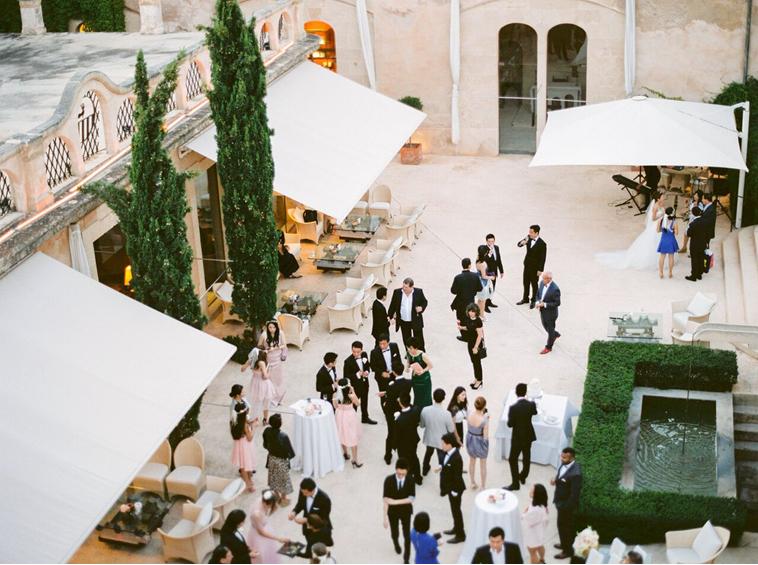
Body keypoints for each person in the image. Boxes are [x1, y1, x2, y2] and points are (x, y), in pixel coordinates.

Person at [596, 192, 665, 270]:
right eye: (662, 197)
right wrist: (661, 215)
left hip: (660, 223)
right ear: (658, 199)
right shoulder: (655, 207)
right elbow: (653, 218)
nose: (664, 198)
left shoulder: (661, 204)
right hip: (656, 224)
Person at [370, 334, 406, 464]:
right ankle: (386, 411)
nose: (382, 346)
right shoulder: (374, 352)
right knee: (385, 397)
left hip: (394, 374)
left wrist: (396, 371)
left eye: (384, 344)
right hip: (383, 378)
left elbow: (399, 359)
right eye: (380, 344)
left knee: (395, 393)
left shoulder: (394, 346)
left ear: (388, 342)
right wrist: (382, 373)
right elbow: (373, 366)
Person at [383, 458, 416, 564]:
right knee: (394, 532)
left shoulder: (410, 480)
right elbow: (386, 500)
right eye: (399, 473)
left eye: (403, 474)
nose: (401, 476)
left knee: (407, 536)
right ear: (396, 469)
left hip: (406, 512)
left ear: (407, 471)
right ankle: (396, 544)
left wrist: (395, 502)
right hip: (392, 513)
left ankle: (406, 558)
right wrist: (384, 518)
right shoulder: (388, 480)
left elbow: (411, 498)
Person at [288, 478, 332, 558]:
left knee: (312, 550)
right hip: (308, 529)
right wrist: (294, 512)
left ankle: (307, 554)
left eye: (305, 493)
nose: (303, 494)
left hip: (319, 530)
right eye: (302, 492)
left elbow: (324, 518)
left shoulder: (325, 499)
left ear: (312, 490)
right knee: (310, 543)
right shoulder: (303, 491)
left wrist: (306, 520)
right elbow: (300, 503)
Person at [551, 447, 582, 560]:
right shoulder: (565, 463)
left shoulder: (576, 474)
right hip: (560, 502)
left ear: (572, 458)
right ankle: (564, 544)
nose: (562, 459)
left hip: (567, 507)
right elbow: (561, 476)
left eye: (565, 457)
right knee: (561, 526)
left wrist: (564, 507)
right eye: (562, 456)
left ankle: (567, 551)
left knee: (566, 528)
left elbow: (574, 495)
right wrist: (556, 480)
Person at [506, 383, 537, 490]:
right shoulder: (531, 404)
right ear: (526, 392)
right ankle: (523, 476)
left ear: (516, 393)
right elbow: (535, 412)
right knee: (526, 457)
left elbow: (510, 424)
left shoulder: (513, 408)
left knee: (512, 459)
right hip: (528, 435)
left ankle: (515, 484)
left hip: (517, 437)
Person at [246, 489, 289, 564]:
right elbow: (261, 532)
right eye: (271, 505)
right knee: (263, 554)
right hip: (259, 535)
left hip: (265, 527)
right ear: (266, 503)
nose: (271, 507)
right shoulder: (256, 514)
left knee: (270, 550)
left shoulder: (264, 498)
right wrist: (279, 538)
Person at [420, 388, 455, 476]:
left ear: (433, 397)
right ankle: (444, 472)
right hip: (441, 441)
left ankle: (425, 469)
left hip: (429, 438)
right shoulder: (446, 414)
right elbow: (451, 430)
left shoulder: (425, 410)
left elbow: (422, 425)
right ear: (443, 399)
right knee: (442, 458)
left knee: (428, 453)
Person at [262, 413, 295, 505]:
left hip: (271, 459)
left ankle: (277, 495)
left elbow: (265, 445)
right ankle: (283, 499)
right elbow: (291, 453)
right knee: (284, 481)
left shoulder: (266, 431)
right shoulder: (284, 436)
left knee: (273, 478)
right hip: (282, 461)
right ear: (280, 424)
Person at [388, 278, 428, 351]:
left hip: (415, 320)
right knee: (406, 339)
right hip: (403, 321)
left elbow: (424, 302)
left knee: (419, 339)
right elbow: (392, 305)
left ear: (412, 287)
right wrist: (390, 316)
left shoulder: (418, 292)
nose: (404, 288)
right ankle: (409, 352)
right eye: (403, 286)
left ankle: (421, 352)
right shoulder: (397, 292)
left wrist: (421, 308)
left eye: (406, 287)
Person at [439, 432, 466, 544]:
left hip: (456, 489)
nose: (442, 445)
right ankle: (456, 528)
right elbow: (447, 465)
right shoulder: (448, 453)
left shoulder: (456, 458)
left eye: (443, 443)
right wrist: (441, 467)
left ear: (449, 444)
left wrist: (455, 491)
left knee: (456, 511)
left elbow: (457, 476)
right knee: (454, 510)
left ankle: (460, 535)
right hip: (450, 488)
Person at [333, 377, 363, 468]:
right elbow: (358, 404)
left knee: (341, 433)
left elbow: (335, 406)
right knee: (352, 437)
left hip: (339, 415)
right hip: (349, 416)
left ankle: (345, 453)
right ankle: (355, 460)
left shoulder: (335, 395)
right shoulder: (351, 395)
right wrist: (353, 392)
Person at [344, 340, 376, 424]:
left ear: (362, 350)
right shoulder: (348, 361)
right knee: (354, 404)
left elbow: (367, 365)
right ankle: (352, 420)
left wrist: (367, 372)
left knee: (365, 402)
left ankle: (365, 418)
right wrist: (357, 374)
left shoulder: (364, 355)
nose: (356, 354)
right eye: (354, 351)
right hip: (355, 387)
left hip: (365, 384)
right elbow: (346, 377)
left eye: (358, 352)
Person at [451, 257, 483, 341]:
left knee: (461, 319)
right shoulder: (475, 276)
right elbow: (480, 288)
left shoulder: (458, 278)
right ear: (469, 265)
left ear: (462, 265)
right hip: (470, 302)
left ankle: (464, 336)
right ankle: (471, 335)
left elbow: (453, 291)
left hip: (460, 303)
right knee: (470, 319)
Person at [516, 225, 547, 308]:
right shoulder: (528, 238)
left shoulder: (542, 244)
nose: (529, 233)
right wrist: (522, 242)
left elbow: (543, 258)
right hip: (527, 265)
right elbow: (519, 244)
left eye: (531, 232)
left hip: (535, 267)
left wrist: (540, 269)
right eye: (529, 232)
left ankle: (534, 300)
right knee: (525, 282)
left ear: (536, 233)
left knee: (534, 284)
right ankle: (525, 298)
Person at [242, 348, 276, 423]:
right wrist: (270, 372)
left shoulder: (251, 360)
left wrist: (247, 363)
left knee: (255, 401)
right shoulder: (262, 363)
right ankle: (265, 419)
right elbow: (265, 376)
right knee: (266, 401)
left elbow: (242, 369)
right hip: (263, 384)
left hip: (254, 382)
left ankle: (253, 417)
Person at [230, 397, 256, 492]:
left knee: (242, 464)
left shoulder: (233, 420)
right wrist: (254, 427)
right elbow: (250, 438)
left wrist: (250, 423)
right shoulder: (245, 425)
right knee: (246, 464)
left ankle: (248, 479)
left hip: (238, 445)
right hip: (246, 446)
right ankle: (248, 483)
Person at [258, 320, 287, 406]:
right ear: (267, 327)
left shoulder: (280, 333)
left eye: (274, 327)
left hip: (277, 359)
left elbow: (284, 345)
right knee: (269, 380)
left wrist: (275, 348)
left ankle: (278, 397)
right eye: (270, 327)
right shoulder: (264, 335)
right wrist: (266, 350)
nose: (272, 329)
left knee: (278, 380)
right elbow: (259, 347)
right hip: (268, 360)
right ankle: (270, 397)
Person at [457, 304, 485, 389]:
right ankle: (476, 378)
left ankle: (479, 380)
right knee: (473, 361)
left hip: (476, 344)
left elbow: (480, 335)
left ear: (476, 312)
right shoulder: (468, 318)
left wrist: (476, 347)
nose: (471, 313)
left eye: (473, 311)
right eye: (470, 311)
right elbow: (469, 327)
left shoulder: (478, 321)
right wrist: (461, 327)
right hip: (470, 343)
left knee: (477, 363)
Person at [466, 396, 489, 490]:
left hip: (470, 439)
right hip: (480, 441)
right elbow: (486, 436)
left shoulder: (469, 414)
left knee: (472, 462)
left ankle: (472, 482)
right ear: (484, 407)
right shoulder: (484, 420)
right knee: (483, 464)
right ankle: (482, 486)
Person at [522, 484, 549, 564]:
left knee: (532, 552)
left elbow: (528, 520)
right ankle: (542, 559)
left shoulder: (535, 510)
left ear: (535, 495)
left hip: (533, 535)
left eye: (532, 490)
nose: (530, 490)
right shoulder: (541, 504)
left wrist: (524, 513)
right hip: (539, 532)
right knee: (540, 546)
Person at [536, 272, 561, 355]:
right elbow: (538, 294)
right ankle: (555, 334)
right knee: (545, 326)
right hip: (543, 311)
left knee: (550, 330)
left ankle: (548, 347)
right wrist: (537, 302)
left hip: (551, 314)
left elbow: (557, 303)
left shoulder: (555, 289)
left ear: (549, 279)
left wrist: (545, 304)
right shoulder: (542, 283)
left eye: (544, 278)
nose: (542, 280)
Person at [407, 338, 433, 408]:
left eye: (411, 348)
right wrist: (407, 367)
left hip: (424, 378)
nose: (409, 349)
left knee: (425, 396)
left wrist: (422, 371)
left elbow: (430, 365)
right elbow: (408, 361)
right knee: (417, 395)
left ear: (416, 348)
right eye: (408, 347)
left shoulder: (422, 355)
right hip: (415, 378)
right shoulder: (409, 353)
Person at [685, 207, 708, 281]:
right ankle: (699, 274)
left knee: (694, 259)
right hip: (702, 243)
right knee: (701, 258)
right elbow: (707, 233)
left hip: (694, 244)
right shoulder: (705, 221)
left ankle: (693, 276)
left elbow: (688, 234)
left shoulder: (693, 224)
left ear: (693, 214)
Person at [657, 206, 679, 278]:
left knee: (662, 257)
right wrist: (673, 230)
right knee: (671, 257)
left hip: (664, 240)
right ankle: (670, 272)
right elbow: (676, 233)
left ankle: (661, 272)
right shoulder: (674, 222)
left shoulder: (661, 220)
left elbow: (658, 230)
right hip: (671, 240)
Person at [679, 190, 704, 254]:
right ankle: (684, 247)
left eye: (696, 195)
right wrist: (687, 204)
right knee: (686, 233)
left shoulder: (700, 204)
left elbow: (699, 213)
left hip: (696, 221)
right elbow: (689, 209)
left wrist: (695, 206)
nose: (694, 196)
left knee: (693, 236)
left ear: (699, 197)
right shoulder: (692, 201)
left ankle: (693, 251)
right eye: (695, 194)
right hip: (690, 220)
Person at [484, 234, 504, 310]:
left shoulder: (496, 247)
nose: (491, 243)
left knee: (493, 288)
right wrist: (489, 253)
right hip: (487, 272)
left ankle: (489, 301)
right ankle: (485, 305)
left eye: (492, 241)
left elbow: (498, 260)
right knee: (487, 289)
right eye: (489, 241)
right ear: (486, 241)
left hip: (494, 272)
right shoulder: (484, 249)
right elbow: (484, 260)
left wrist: (501, 271)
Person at [474, 246, 495, 316]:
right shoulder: (483, 264)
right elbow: (484, 276)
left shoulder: (477, 259)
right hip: (483, 283)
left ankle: (476, 313)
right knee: (483, 301)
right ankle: (482, 315)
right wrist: (491, 277)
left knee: (480, 300)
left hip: (479, 280)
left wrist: (489, 254)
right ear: (485, 253)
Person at [700, 192, 717, 275]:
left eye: (703, 198)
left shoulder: (711, 209)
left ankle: (705, 266)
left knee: (705, 249)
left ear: (706, 199)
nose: (702, 200)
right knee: (704, 248)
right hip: (705, 232)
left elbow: (708, 222)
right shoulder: (707, 206)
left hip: (706, 233)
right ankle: (703, 264)